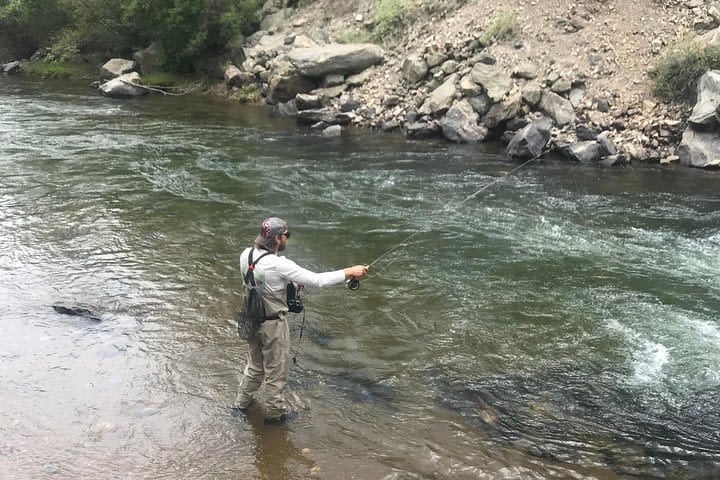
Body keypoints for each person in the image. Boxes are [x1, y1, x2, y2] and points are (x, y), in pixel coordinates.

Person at [233, 217, 368, 424]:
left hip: (252, 320)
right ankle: (274, 418)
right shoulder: (279, 264)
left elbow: (262, 283)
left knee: (255, 367)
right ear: (277, 238)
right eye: (286, 235)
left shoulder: (246, 255)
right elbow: (318, 280)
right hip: (273, 326)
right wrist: (350, 271)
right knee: (276, 373)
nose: (287, 238)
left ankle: (240, 405)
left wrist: (290, 285)